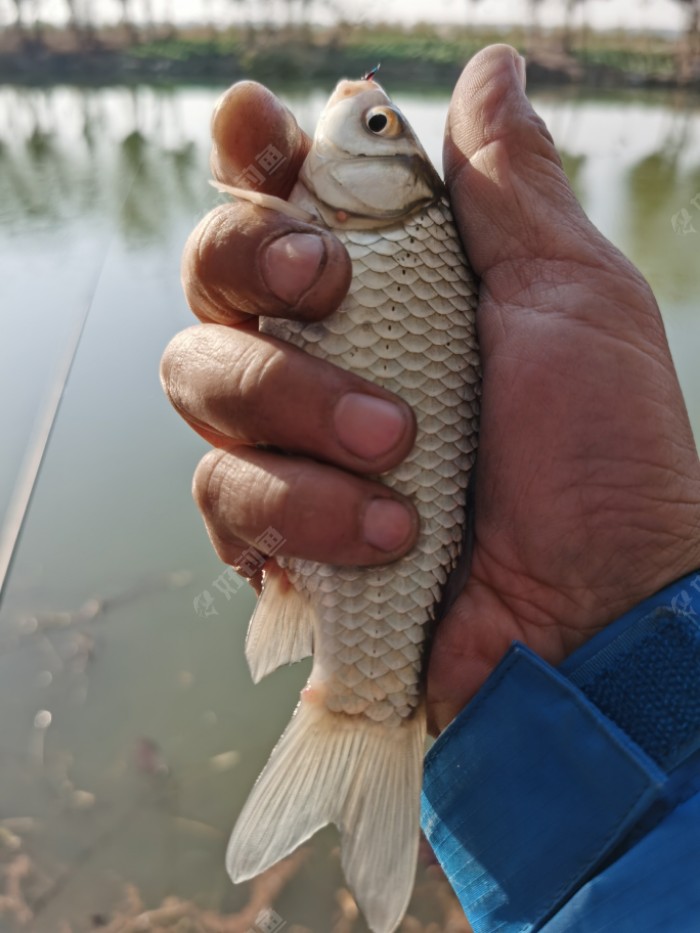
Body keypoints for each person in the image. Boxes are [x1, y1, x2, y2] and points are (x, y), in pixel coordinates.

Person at [161, 44, 700, 932]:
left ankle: (364, 713)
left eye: (377, 128)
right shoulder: (340, 227)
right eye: (379, 127)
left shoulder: (388, 232)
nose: (359, 114)